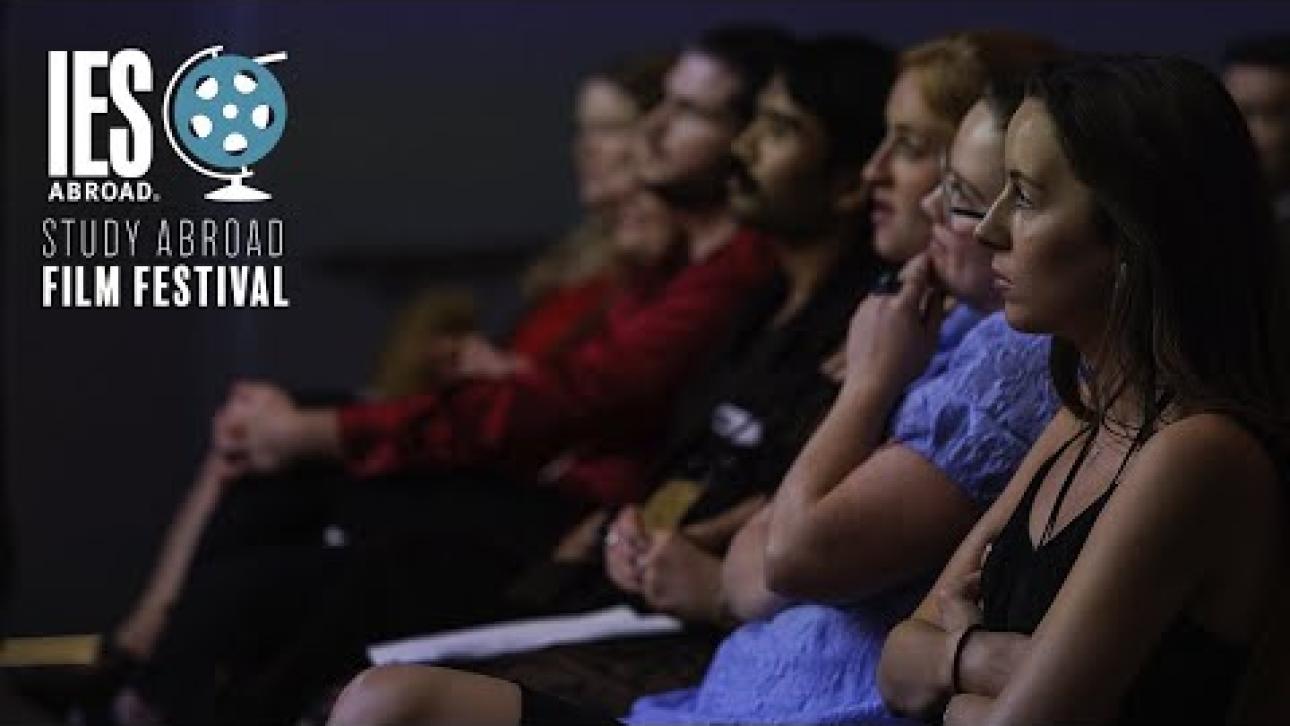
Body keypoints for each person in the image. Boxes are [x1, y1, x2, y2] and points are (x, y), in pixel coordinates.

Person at [325, 30, 1063, 726]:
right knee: (360, 655)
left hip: (759, 685)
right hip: (720, 677)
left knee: (378, 687)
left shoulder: (991, 354)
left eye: (956, 186)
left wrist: (867, 384)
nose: (890, 179)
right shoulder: (924, 327)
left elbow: (783, 558)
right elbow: (762, 547)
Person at [112, 25, 792, 726]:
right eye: (625, 120)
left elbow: (579, 398)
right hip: (549, 491)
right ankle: (140, 676)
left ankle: (141, 683)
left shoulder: (722, 273)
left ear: (746, 142)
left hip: (566, 509)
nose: (643, 134)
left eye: (679, 112)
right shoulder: (656, 263)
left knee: (288, 559)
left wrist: (328, 429)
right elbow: (571, 390)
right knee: (274, 499)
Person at [878, 55, 1290, 726]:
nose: (988, 228)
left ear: (1132, 235)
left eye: (1024, 197)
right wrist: (979, 657)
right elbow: (896, 665)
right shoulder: (1088, 409)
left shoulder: (1199, 454)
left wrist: (952, 686)